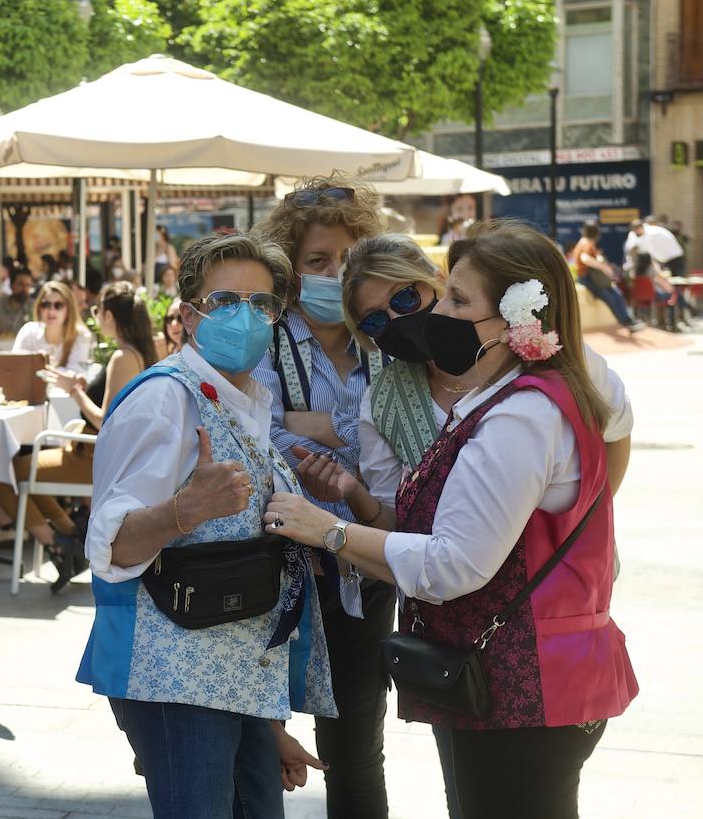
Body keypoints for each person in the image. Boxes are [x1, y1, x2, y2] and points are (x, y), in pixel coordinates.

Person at [265, 220, 637, 819]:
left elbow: (450, 565)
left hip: (520, 662)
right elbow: (412, 525)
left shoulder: (519, 413)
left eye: (447, 299)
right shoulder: (494, 394)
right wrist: (355, 501)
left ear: (512, 317)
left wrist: (325, 529)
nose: (415, 320)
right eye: (376, 322)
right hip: (506, 655)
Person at [78, 231, 332, 818]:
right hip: (173, 681)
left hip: (237, 682)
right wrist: (184, 510)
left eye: (262, 304)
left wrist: (266, 728)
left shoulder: (247, 400)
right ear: (189, 316)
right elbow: (108, 546)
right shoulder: (163, 399)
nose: (246, 316)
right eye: (225, 302)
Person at [251, 177, 391, 819]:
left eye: (349, 260)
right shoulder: (264, 341)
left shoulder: (390, 349)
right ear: (289, 267)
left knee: (357, 755)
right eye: (318, 261)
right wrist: (346, 433)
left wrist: (314, 427)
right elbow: (258, 440)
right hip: (274, 576)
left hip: (364, 570)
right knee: (252, 746)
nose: (336, 274)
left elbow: (412, 454)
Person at [0, 281, 156, 592]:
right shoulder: (134, 353)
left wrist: (76, 392)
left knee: (7, 472)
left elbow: (103, 418)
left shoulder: (123, 357)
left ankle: (59, 544)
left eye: (98, 310)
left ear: (110, 316)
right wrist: (83, 385)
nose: (95, 316)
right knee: (20, 469)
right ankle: (70, 538)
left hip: (91, 456)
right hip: (91, 452)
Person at [567, 221, 642, 331]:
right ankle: (627, 322)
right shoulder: (586, 243)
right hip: (589, 279)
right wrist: (603, 267)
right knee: (612, 297)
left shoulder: (583, 242)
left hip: (590, 278)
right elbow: (585, 258)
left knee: (617, 295)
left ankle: (629, 321)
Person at [11, 281, 92, 375]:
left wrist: (45, 367)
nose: (51, 311)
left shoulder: (81, 335)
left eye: (58, 305)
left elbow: (77, 374)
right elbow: (15, 367)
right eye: (46, 305)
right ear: (39, 308)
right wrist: (36, 361)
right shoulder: (28, 331)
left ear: (69, 310)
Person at [0, 266, 34, 338]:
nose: (24, 289)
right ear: (11, 285)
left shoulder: (35, 307)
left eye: (27, 285)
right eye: (20, 284)